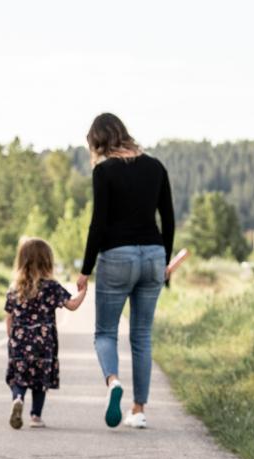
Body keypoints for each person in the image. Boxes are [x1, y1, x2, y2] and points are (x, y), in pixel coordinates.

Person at [76, 113, 175, 429]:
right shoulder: (156, 166)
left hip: (117, 256)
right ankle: (139, 409)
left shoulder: (104, 171)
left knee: (105, 332)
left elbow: (99, 223)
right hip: (154, 256)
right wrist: (165, 263)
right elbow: (168, 219)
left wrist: (85, 269)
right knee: (142, 335)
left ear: (100, 141)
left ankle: (114, 382)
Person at [5, 237, 86, 429]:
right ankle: (36, 416)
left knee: (19, 376)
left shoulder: (15, 287)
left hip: (19, 341)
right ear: (47, 261)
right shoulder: (52, 287)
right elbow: (72, 305)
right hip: (43, 342)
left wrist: (12, 337)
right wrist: (83, 291)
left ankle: (17, 399)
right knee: (40, 379)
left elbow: (9, 316)